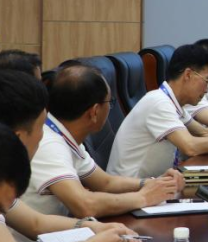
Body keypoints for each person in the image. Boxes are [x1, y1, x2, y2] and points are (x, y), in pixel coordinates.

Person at [0, 69, 137, 242]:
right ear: (17, 139)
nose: (44, 136)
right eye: (41, 128)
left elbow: (35, 223)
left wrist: (94, 228)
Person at [23, 64, 183, 218]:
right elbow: (84, 205)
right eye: (109, 102)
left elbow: (105, 183)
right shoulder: (50, 145)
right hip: (40, 237)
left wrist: (152, 184)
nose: (109, 108)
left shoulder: (63, 135)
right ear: (94, 112)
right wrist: (144, 197)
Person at [107, 44, 208, 179]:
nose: (206, 90)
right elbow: (190, 146)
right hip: (130, 189)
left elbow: (204, 133)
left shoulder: (172, 102)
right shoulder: (159, 103)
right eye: (206, 80)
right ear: (188, 74)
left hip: (154, 184)